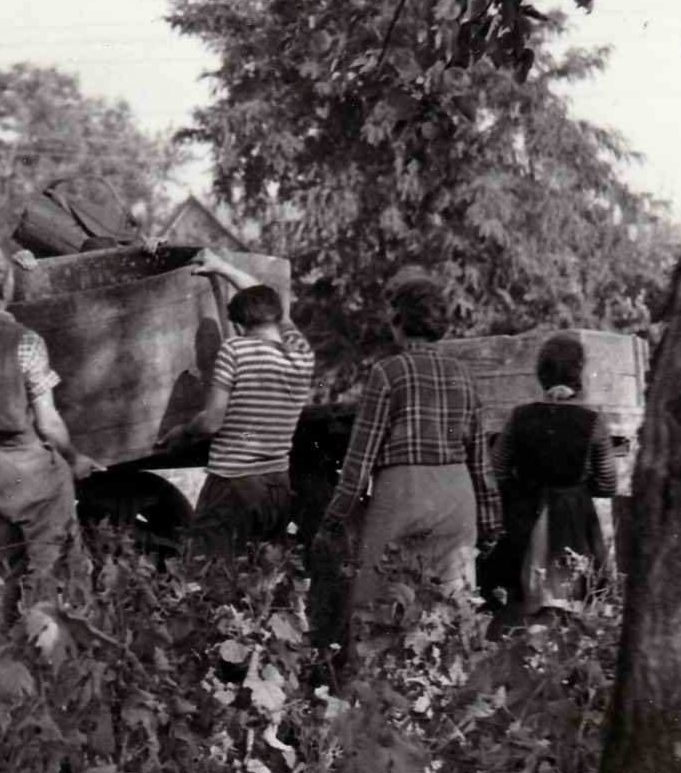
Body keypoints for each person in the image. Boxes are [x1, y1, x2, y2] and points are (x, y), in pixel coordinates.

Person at [316, 270, 501, 604]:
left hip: (402, 493)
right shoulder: (465, 376)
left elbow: (359, 461)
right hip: (456, 496)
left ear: (399, 322)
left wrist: (333, 521)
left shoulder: (387, 373)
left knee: (377, 601)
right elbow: (480, 461)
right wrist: (489, 526)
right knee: (450, 605)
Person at [0, 241, 104, 573]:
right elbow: (49, 423)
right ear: (6, 286)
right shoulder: (25, 341)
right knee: (54, 569)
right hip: (28, 472)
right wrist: (74, 459)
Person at [159, 249, 314, 559]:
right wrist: (223, 267)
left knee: (208, 573)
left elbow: (212, 420)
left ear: (240, 326)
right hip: (277, 485)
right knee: (257, 576)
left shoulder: (236, 350)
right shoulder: (301, 352)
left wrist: (183, 431)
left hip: (235, 484)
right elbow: (265, 299)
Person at [480, 332, 617, 617]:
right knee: (573, 606)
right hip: (573, 522)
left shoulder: (519, 418)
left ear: (540, 373)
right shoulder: (593, 423)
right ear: (578, 372)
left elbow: (496, 469)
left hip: (523, 520)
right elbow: (607, 483)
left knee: (518, 606)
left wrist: (521, 486)